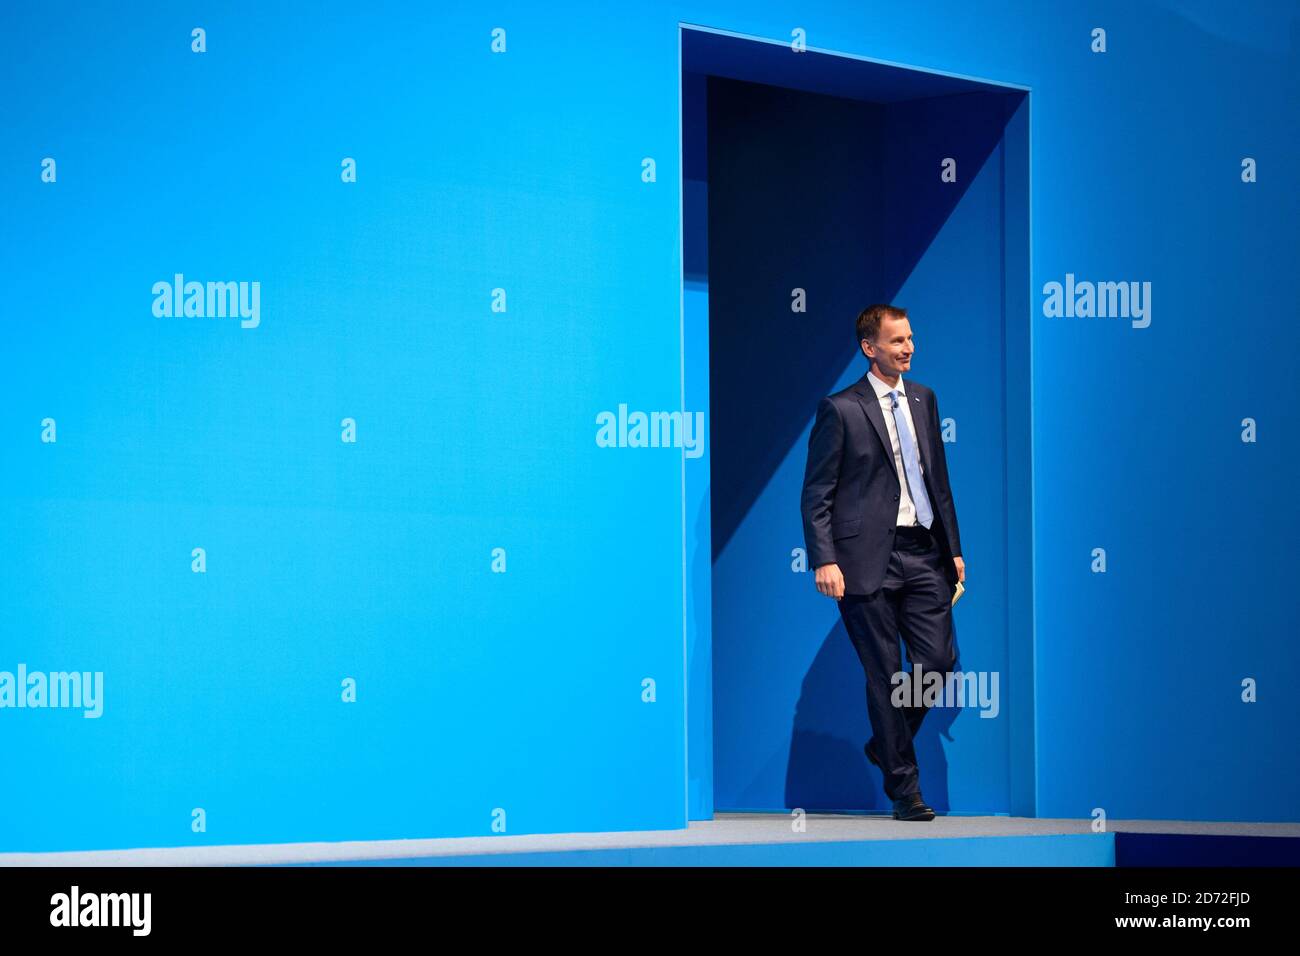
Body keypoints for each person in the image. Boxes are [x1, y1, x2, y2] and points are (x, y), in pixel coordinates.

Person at [800, 303, 965, 821]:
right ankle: (905, 790)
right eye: (897, 341)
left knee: (936, 662)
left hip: (923, 552)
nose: (909, 347)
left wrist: (954, 549)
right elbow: (817, 492)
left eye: (911, 338)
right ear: (870, 348)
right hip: (863, 559)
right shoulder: (841, 408)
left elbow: (937, 480)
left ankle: (884, 746)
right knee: (885, 675)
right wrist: (823, 559)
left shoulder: (924, 398)